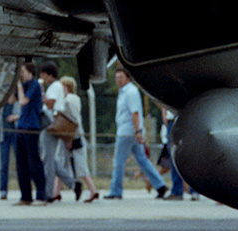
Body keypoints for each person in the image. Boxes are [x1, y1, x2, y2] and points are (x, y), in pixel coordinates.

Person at [106, 65, 167, 199]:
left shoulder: (130, 92)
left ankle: (115, 190)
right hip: (130, 131)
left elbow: (135, 113)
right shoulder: (124, 92)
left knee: (118, 161)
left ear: (128, 78)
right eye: (117, 78)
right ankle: (160, 185)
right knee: (142, 160)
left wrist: (137, 131)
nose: (118, 80)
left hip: (127, 132)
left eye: (121, 77)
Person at [57, 77, 99, 202]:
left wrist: (69, 137)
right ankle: (55, 191)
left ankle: (93, 190)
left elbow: (72, 120)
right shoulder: (75, 99)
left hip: (72, 136)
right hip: (73, 135)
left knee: (77, 166)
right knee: (62, 164)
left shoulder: (68, 101)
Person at [38, 62, 74, 201]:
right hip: (53, 124)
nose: (41, 76)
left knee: (48, 160)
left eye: (43, 74)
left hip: (51, 124)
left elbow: (49, 104)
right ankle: (72, 183)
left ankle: (48, 193)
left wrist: (41, 92)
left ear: (49, 74)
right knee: (50, 158)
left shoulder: (54, 87)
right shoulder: (57, 86)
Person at [14, 61, 48, 204]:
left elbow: (23, 101)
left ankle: (41, 195)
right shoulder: (24, 86)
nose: (21, 74)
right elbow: (12, 100)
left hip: (31, 127)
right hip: (21, 126)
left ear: (30, 72)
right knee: (21, 163)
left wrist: (18, 85)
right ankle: (25, 196)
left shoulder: (34, 85)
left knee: (34, 162)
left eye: (22, 71)